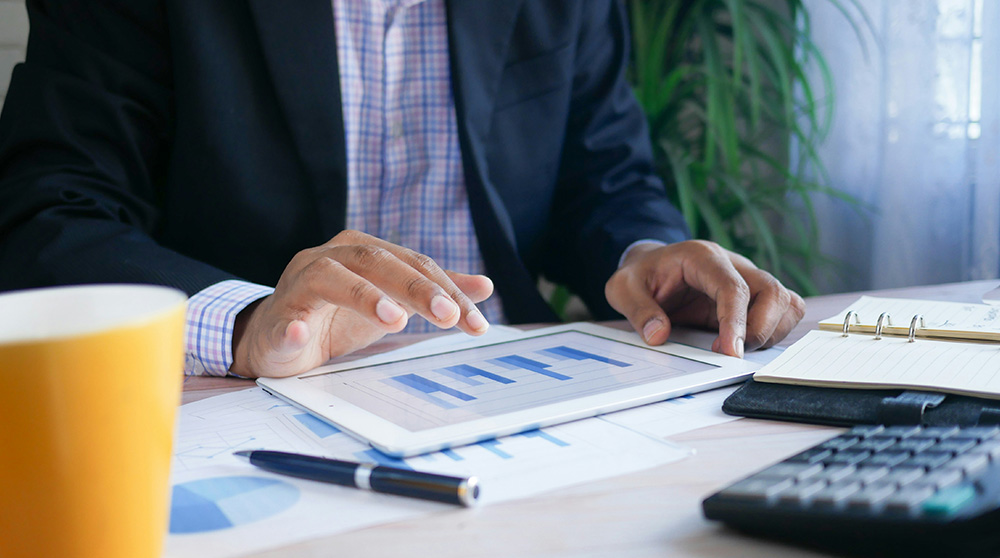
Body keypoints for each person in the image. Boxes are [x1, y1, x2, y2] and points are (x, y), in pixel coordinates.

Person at [0, 0, 804, 379]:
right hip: (245, 400)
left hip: (513, 390)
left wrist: (649, 254)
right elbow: (45, 214)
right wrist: (246, 321)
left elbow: (602, 175)